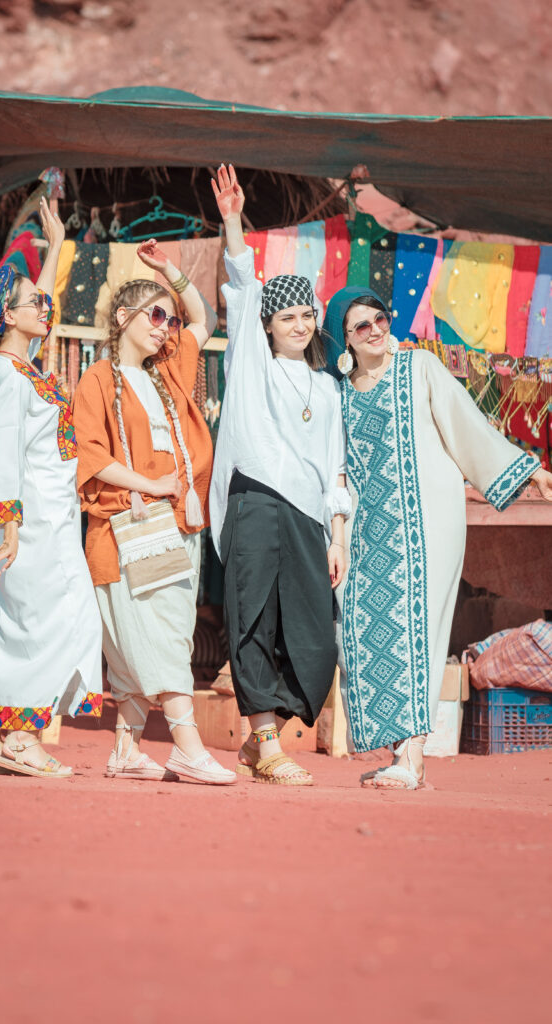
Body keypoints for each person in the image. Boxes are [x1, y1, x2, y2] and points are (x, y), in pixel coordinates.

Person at [324, 285, 552, 789]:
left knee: (418, 628)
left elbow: (468, 427)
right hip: (366, 531)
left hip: (426, 521)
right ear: (344, 338)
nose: (375, 330)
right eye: (362, 325)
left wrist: (531, 470)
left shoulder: (419, 368)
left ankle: (412, 757)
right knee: (364, 627)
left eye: (380, 318)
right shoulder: (337, 394)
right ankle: (401, 753)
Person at [73, 238, 236, 785]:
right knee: (160, 635)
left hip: (179, 520)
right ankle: (187, 747)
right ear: (123, 317)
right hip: (132, 521)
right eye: (156, 315)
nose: (166, 328)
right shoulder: (97, 379)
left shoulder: (167, 371)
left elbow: (205, 320)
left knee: (164, 632)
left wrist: (171, 272)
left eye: (169, 319)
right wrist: (151, 484)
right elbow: (92, 457)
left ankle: (125, 749)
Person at [210, 164, 350, 786]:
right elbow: (243, 284)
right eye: (286, 315)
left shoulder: (328, 388)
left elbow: (334, 466)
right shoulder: (251, 365)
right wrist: (233, 222)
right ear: (267, 324)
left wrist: (337, 535)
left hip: (307, 518)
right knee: (255, 620)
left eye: (305, 315)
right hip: (255, 501)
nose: (298, 323)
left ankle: (262, 735)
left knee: (315, 636)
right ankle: (266, 742)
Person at [0, 197, 103, 778]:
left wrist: (58, 244)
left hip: (39, 522)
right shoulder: (9, 377)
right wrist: (9, 528)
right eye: (33, 306)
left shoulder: (18, 366)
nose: (45, 309)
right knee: (63, 622)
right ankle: (22, 739)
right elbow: (1, 455)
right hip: (31, 527)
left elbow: (37, 305)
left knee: (15, 627)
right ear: (9, 317)